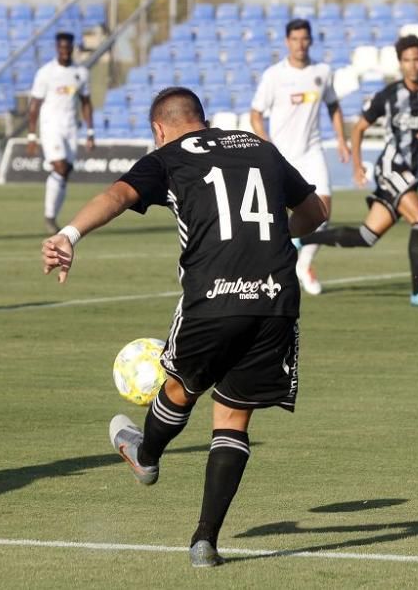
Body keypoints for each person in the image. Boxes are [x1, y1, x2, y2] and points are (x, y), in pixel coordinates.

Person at [40, 87, 327, 567]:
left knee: (181, 385)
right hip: (275, 296)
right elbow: (316, 213)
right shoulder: (258, 145)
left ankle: (146, 453)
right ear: (205, 119)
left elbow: (118, 194)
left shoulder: (169, 157)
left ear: (158, 129)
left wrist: (69, 234)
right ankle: (204, 542)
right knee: (233, 417)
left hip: (213, 296)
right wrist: (276, 232)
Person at [295, 34, 418, 307]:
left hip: (410, 176)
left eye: (417, 59)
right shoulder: (389, 95)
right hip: (391, 166)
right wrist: (357, 165)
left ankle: (301, 238)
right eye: (406, 60)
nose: (412, 65)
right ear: (400, 63)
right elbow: (358, 128)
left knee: (366, 236)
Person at [250, 18, 350, 295]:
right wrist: (265, 143)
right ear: (287, 42)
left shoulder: (322, 71)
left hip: (312, 151)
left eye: (305, 39)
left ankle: (303, 264)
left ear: (311, 41)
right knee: (276, 215)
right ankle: (279, 259)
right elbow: (256, 114)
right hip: (282, 155)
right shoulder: (274, 75)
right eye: (295, 39)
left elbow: (333, 106)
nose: (300, 44)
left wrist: (342, 140)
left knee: (323, 210)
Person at [27, 32, 95, 235]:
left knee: (65, 171)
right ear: (57, 48)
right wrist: (32, 135)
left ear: (72, 48)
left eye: (68, 48)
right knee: (59, 166)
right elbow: (34, 106)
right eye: (61, 48)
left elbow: (86, 102)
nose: (64, 52)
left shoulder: (81, 73)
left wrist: (90, 131)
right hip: (50, 126)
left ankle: (53, 217)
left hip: (70, 126)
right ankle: (49, 217)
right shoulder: (45, 73)